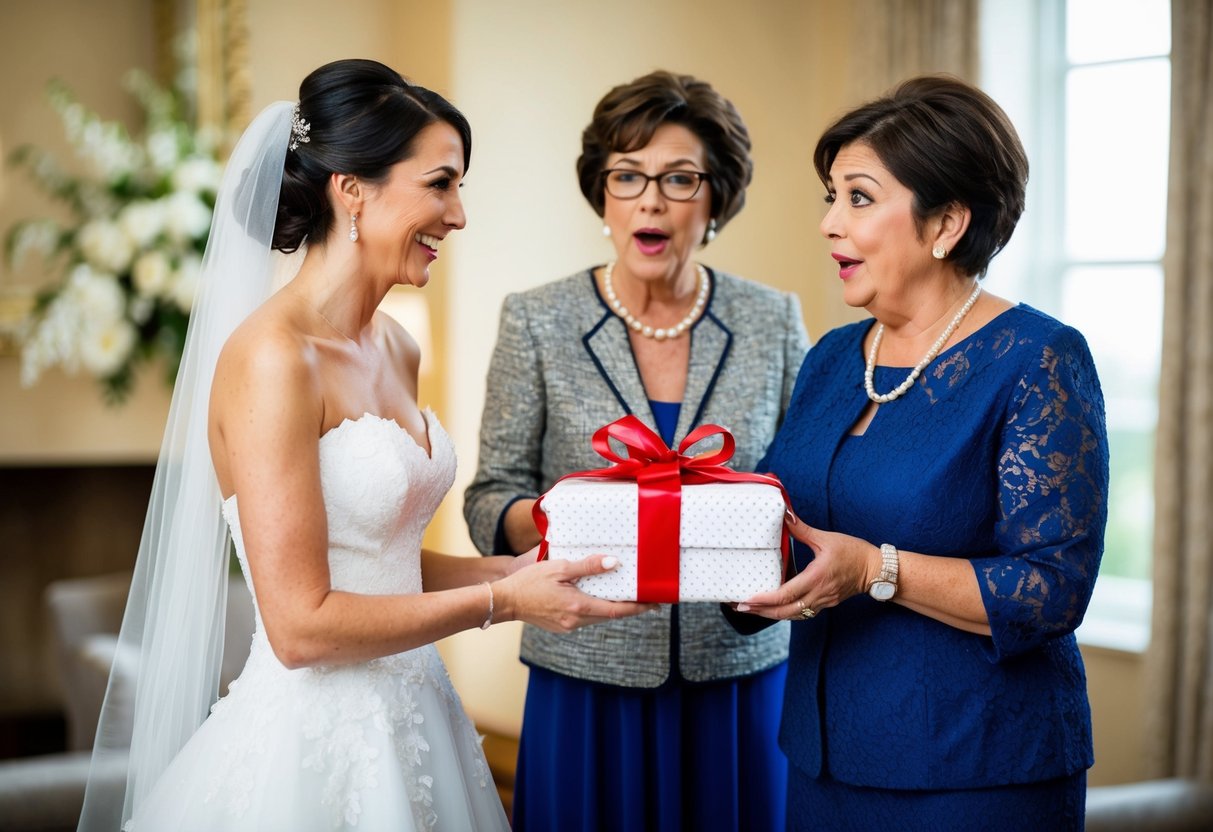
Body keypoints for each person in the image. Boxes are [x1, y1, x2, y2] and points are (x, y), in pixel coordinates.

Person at [76, 59, 651, 832]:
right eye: (439, 184)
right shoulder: (273, 359)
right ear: (352, 189)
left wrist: (516, 569)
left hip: (417, 712)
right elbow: (300, 626)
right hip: (312, 743)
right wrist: (502, 601)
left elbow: (374, 557)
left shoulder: (396, 346)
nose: (458, 214)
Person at [735, 75, 1109, 829]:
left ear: (945, 222)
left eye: (859, 198)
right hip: (819, 762)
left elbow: (1050, 591)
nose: (829, 224)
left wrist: (877, 569)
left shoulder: (1037, 358)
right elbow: (786, 526)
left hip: (975, 773)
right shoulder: (834, 357)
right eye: (829, 196)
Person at [463, 70, 810, 830]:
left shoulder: (773, 321)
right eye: (627, 176)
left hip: (736, 678)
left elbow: (804, 493)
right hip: (586, 672)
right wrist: (573, 519)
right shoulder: (536, 320)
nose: (650, 199)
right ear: (603, 196)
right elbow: (489, 496)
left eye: (678, 179)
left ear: (715, 198)